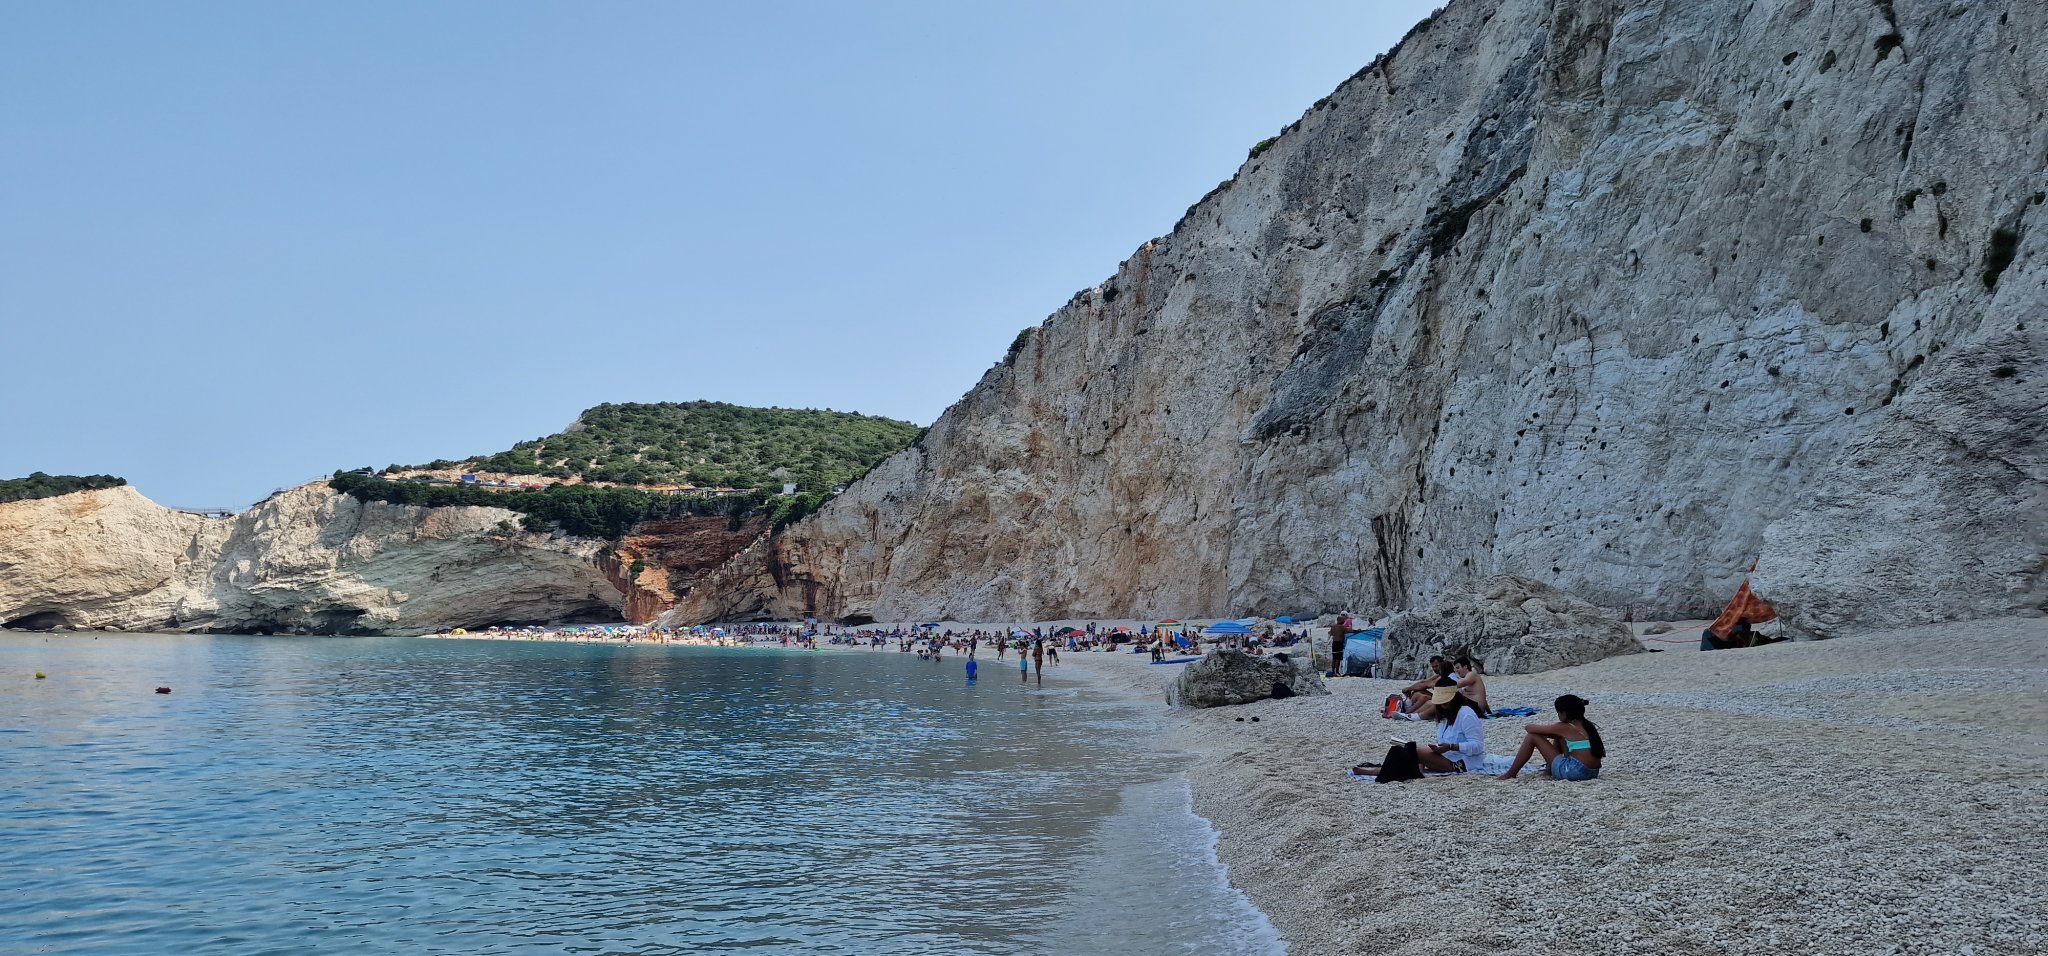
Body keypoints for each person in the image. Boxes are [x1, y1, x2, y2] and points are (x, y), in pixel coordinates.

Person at [1354, 687, 1485, 776]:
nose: (1442, 705)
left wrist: (1451, 747)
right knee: (1405, 746)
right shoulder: (1446, 715)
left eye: (1445, 702)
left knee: (1413, 749)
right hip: (1449, 756)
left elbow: (1478, 746)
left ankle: (1379, 771)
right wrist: (1441, 748)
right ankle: (1412, 769)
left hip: (1462, 763)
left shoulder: (1466, 714)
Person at [1495, 694, 1605, 781]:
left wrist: (1549, 733)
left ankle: (1511, 773)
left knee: (1532, 737)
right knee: (1559, 737)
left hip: (1575, 772)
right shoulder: (1588, 726)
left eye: (1558, 713)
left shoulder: (1564, 727)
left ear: (1564, 713)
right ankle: (1548, 771)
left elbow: (1530, 728)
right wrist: (1553, 734)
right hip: (1592, 772)